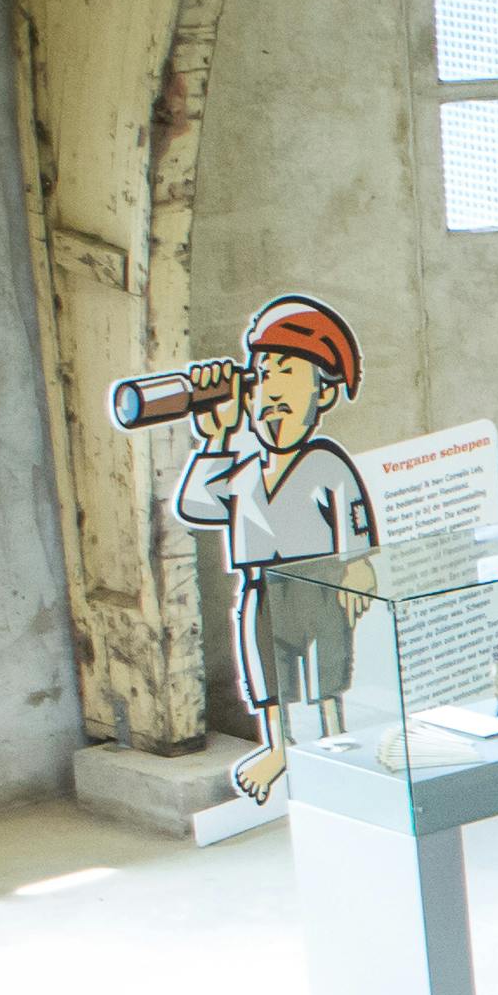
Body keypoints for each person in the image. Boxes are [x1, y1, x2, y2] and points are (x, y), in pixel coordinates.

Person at [168, 294, 377, 795]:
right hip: (261, 588)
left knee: (327, 668)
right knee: (268, 669)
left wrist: (357, 564)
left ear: (324, 393)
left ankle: (333, 736)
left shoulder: (325, 461)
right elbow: (197, 506)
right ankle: (279, 745)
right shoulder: (243, 470)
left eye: (288, 373)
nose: (272, 390)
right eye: (262, 376)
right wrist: (216, 438)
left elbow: (352, 515)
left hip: (319, 583)